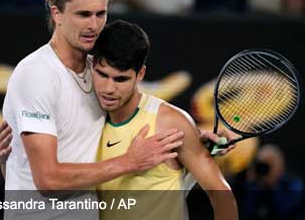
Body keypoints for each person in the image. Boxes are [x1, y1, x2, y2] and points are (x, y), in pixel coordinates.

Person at [0, 0, 184, 219]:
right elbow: (47, 179)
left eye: (101, 14)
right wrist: (130, 162)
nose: (94, 25)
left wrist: (189, 135)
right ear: (57, 15)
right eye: (83, 14)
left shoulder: (96, 71)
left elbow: (135, 111)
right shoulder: (37, 74)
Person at [92, 19, 238, 220]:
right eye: (102, 75)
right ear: (92, 65)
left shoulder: (169, 122)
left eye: (121, 79)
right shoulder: (85, 116)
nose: (108, 88)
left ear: (140, 74)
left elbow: (222, 196)